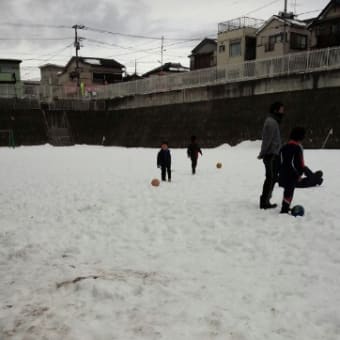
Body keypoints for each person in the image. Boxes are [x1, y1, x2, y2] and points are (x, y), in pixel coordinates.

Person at [258, 101, 285, 209]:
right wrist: (263, 153)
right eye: (281, 109)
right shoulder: (271, 122)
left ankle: (266, 200)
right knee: (270, 178)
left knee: (272, 178)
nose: (283, 112)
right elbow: (267, 140)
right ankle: (264, 201)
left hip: (274, 154)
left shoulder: (274, 121)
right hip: (270, 155)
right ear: (275, 110)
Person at [278, 127, 306, 214]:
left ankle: (285, 207)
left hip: (283, 174)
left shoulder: (284, 147)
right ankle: (284, 209)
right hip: (292, 175)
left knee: (287, 191)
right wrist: (298, 174)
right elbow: (298, 163)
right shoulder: (297, 148)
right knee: (289, 192)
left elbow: (280, 161)